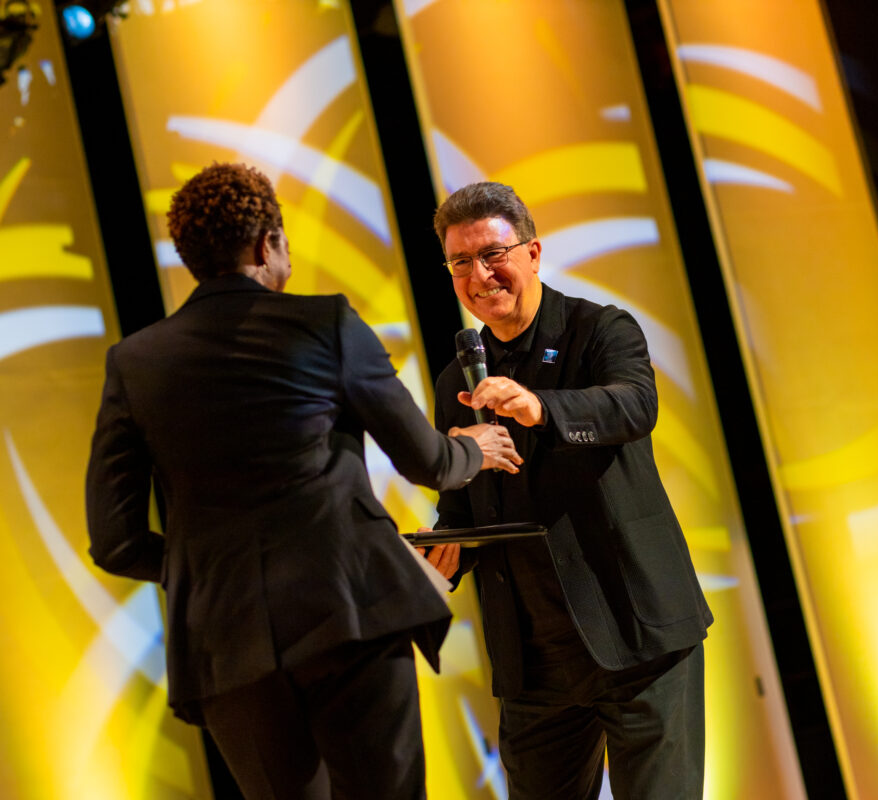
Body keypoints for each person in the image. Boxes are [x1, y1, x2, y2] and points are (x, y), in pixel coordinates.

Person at [84, 163, 521, 800]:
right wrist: (471, 448)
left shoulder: (135, 363)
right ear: (269, 245)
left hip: (226, 647)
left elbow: (115, 542)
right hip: (349, 618)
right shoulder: (328, 326)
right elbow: (424, 461)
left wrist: (206, 569)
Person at [426, 181, 713, 800]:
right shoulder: (457, 375)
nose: (480, 275)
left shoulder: (599, 329)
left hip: (636, 636)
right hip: (534, 663)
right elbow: (464, 506)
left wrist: (538, 407)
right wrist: (441, 551)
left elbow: (634, 405)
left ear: (532, 253)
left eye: (493, 254)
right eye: (461, 262)